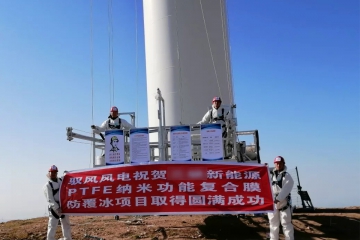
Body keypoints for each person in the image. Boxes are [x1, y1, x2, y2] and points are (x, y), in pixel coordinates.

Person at [267, 156, 294, 240]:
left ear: (283, 164)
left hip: (283, 203)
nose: (278, 165)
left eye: (280, 163)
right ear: (274, 164)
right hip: (272, 202)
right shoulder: (270, 174)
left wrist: (278, 199)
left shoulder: (287, 176)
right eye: (277, 163)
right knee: (273, 224)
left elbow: (286, 189)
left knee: (286, 224)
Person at [43, 165, 72, 240]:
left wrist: (68, 174)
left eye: (55, 172)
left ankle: (67, 238)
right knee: (52, 226)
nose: (53, 174)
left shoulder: (60, 180)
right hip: (54, 209)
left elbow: (66, 177)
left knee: (66, 225)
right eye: (52, 172)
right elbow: (50, 199)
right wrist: (57, 208)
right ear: (49, 173)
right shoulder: (48, 185)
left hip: (63, 206)